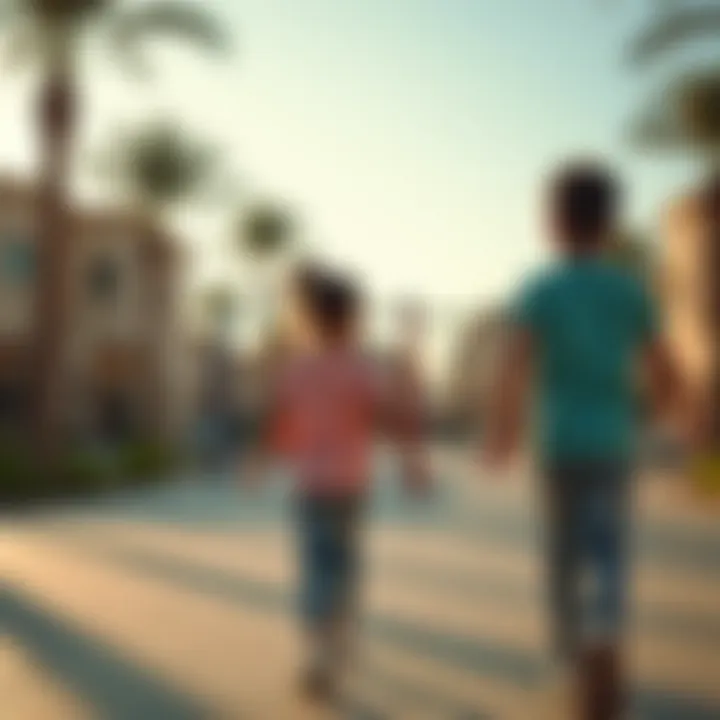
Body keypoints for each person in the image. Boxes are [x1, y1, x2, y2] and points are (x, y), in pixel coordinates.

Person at [483, 161, 686, 720]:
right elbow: (665, 369)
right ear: (611, 225)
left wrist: (503, 430)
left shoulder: (539, 288)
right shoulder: (629, 289)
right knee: (608, 552)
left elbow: (511, 366)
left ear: (551, 223)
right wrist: (660, 410)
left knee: (562, 556)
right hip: (613, 444)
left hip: (557, 446)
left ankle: (574, 660)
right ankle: (605, 635)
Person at [244, 264, 429, 702]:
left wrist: (259, 463)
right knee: (344, 566)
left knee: (314, 566)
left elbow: (279, 426)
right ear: (355, 319)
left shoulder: (297, 370)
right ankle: (339, 641)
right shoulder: (362, 369)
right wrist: (411, 462)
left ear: (306, 316)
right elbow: (386, 419)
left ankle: (316, 651)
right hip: (349, 485)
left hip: (309, 486)